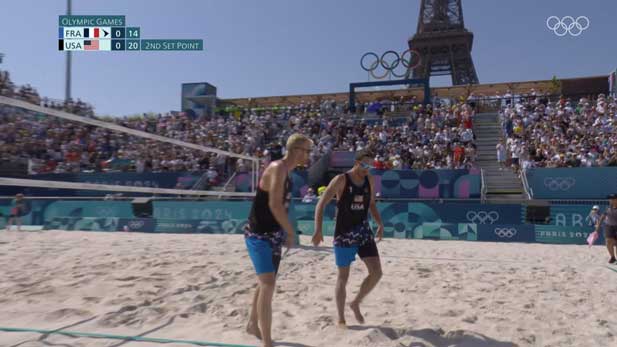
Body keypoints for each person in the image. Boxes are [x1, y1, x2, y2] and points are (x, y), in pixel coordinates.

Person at [244, 133, 313, 347]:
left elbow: (277, 207)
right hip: (258, 234)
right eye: (306, 150)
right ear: (294, 150)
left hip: (273, 234)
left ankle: (252, 324)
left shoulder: (288, 173)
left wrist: (283, 232)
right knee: (268, 284)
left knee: (265, 281)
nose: (309, 155)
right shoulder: (277, 168)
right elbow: (274, 205)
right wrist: (290, 231)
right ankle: (267, 342)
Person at [312, 149, 384, 328]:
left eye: (371, 165)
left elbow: (371, 204)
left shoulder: (369, 180)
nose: (368, 168)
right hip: (344, 233)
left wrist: (380, 224)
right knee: (343, 277)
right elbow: (321, 204)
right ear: (357, 162)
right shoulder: (341, 180)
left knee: (377, 273)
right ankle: (341, 318)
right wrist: (318, 229)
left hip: (363, 231)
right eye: (365, 164)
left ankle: (356, 302)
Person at [595, 195, 617, 264]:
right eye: (610, 199)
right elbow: (603, 216)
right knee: (608, 242)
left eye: (612, 199)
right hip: (609, 226)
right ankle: (613, 257)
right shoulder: (608, 207)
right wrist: (598, 226)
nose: (610, 200)